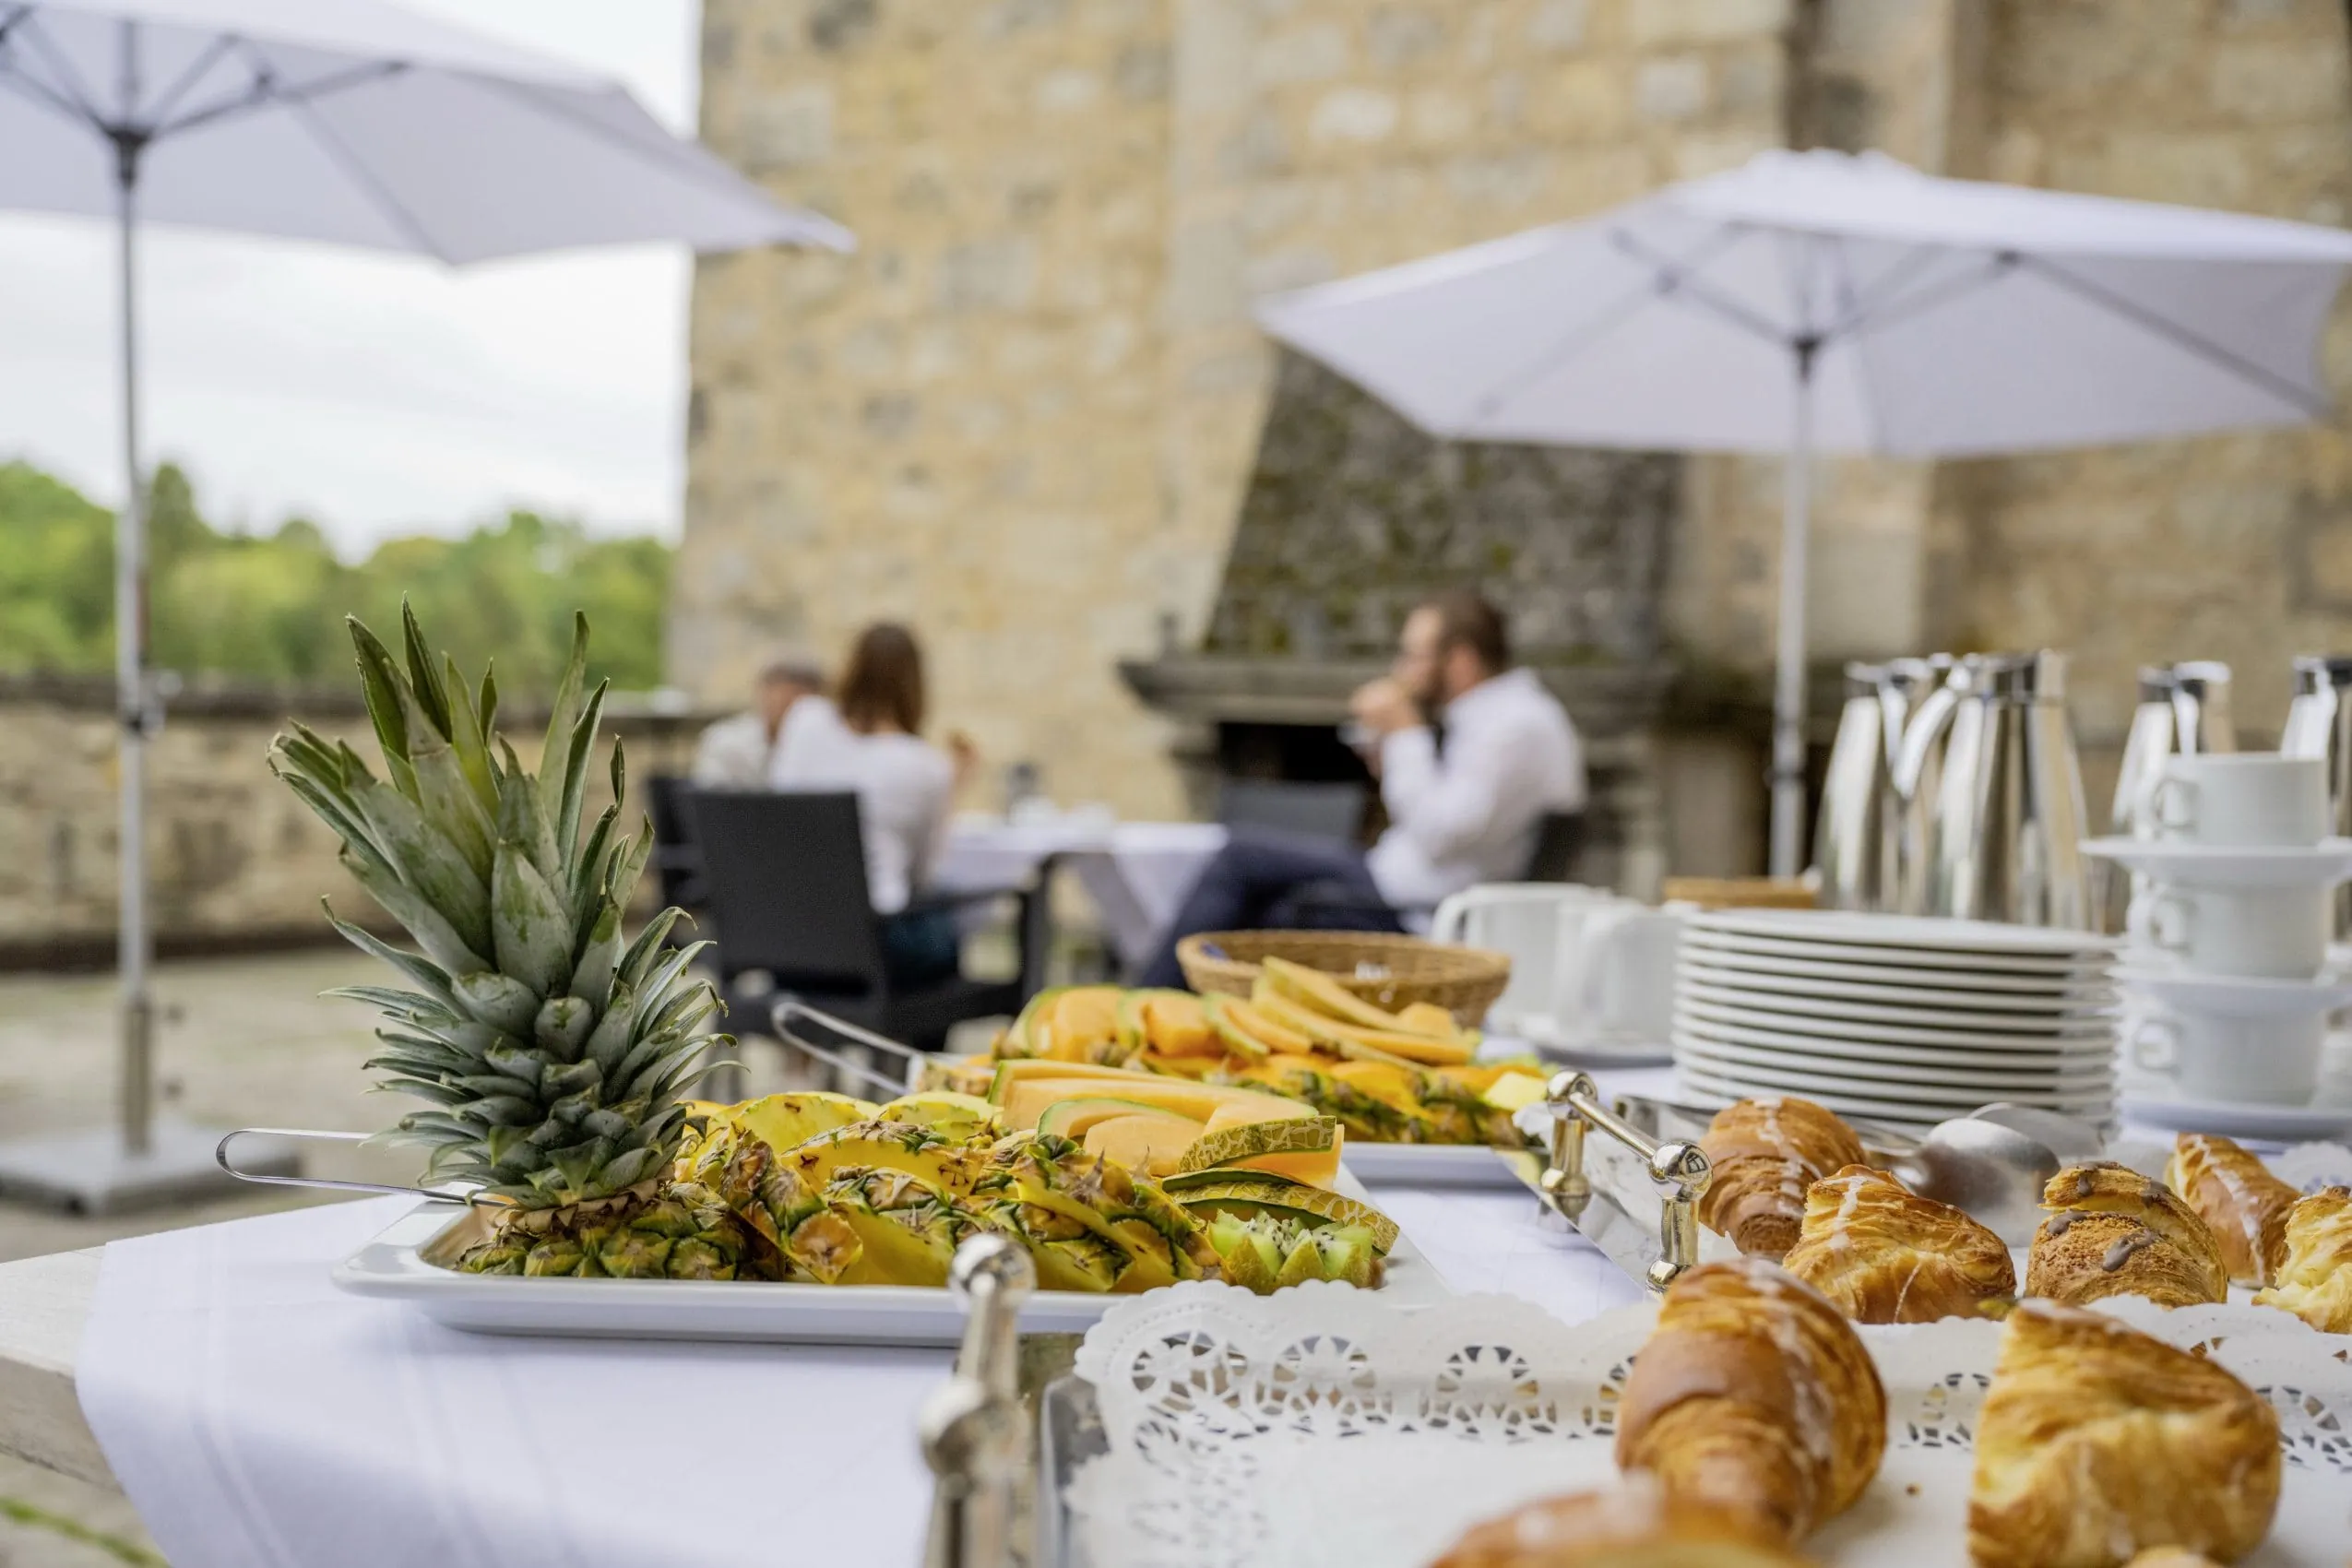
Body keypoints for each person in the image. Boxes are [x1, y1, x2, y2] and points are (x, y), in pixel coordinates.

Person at [1137, 588, 1585, 987]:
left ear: (1462, 661)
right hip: (1393, 884)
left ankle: (1139, 1007)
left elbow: (1442, 833)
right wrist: (1393, 753)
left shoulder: (1516, 726)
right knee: (1255, 910)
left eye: (1414, 656)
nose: (1403, 672)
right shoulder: (1503, 718)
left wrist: (1405, 734)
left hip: (1413, 908)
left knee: (1238, 859)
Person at [773, 623, 978, 987]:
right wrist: (953, 787)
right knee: (944, 936)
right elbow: (923, 877)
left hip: (784, 943)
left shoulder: (805, 720)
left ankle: (804, 1043)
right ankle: (903, 1044)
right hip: (872, 951)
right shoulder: (923, 764)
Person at [690, 655, 827, 788]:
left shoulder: (825, 744)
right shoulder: (725, 743)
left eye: (796, 696)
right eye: (780, 696)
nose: (787, 705)